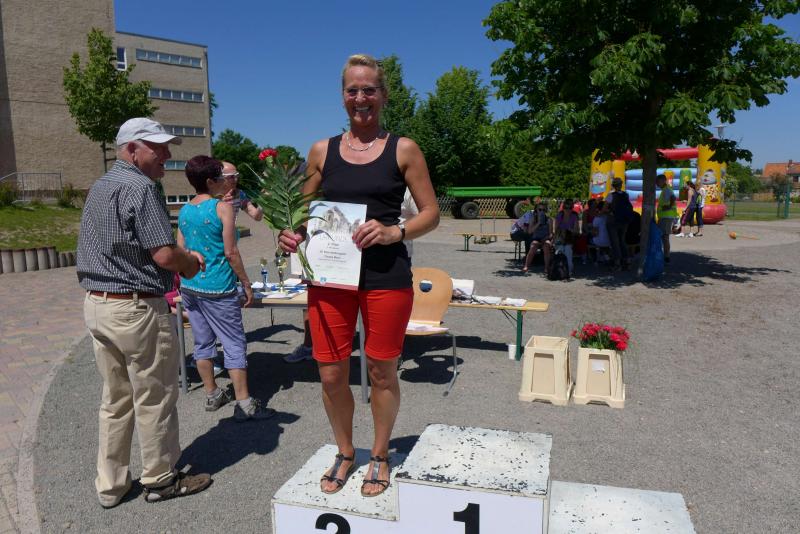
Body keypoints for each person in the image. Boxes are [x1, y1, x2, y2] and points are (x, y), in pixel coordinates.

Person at [279, 53, 439, 497]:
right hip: (331, 277)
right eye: (353, 90)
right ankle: (346, 451)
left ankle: (381, 454)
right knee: (331, 374)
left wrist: (394, 231)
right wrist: (289, 233)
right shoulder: (321, 151)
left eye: (369, 89)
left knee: (382, 371)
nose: (361, 97)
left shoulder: (403, 149)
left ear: (383, 96)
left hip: (386, 276)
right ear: (343, 97)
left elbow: (431, 213)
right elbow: (299, 213)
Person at [77, 117, 211, 507]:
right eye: (159, 147)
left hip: (98, 304)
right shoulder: (141, 187)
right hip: (136, 307)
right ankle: (161, 478)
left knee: (115, 399)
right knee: (155, 396)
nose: (167, 155)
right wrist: (190, 262)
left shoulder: (101, 185)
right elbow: (164, 255)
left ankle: (111, 485)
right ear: (133, 149)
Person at [177, 155, 275, 420]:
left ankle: (212, 394)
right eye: (221, 177)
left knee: (202, 342)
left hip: (191, 286)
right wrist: (246, 283)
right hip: (219, 286)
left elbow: (181, 249)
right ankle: (244, 404)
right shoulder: (222, 208)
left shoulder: (184, 210)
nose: (226, 181)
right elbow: (231, 252)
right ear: (211, 181)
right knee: (233, 342)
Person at [605, 177, 634, 270]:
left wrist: (609, 212)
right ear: (621, 185)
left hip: (613, 221)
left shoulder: (610, 195)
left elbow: (605, 208)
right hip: (624, 221)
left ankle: (617, 263)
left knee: (615, 242)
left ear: (613, 185)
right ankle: (627, 261)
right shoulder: (626, 195)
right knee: (622, 240)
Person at [521, 203, 553, 273]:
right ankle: (526, 266)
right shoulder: (533, 219)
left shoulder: (549, 219)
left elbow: (551, 234)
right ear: (536, 210)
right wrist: (538, 223)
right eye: (540, 209)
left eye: (543, 210)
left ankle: (546, 267)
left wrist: (546, 238)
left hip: (545, 238)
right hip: (536, 238)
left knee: (546, 245)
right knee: (533, 246)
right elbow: (530, 231)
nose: (542, 211)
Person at [553, 199, 580, 275]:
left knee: (568, 249)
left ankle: (569, 269)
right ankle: (560, 270)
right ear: (563, 208)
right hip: (560, 238)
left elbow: (577, 231)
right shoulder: (559, 216)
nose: (567, 210)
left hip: (570, 238)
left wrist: (570, 230)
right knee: (560, 249)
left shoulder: (574, 217)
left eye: (570, 208)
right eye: (566, 208)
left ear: (572, 208)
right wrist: (554, 240)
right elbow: (556, 230)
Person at [656, 173, 678, 263]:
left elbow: (673, 197)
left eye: (658, 182)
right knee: (664, 236)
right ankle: (665, 255)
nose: (657, 184)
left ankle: (666, 256)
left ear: (663, 181)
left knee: (665, 237)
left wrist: (669, 206)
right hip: (664, 216)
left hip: (666, 216)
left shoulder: (667, 190)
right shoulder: (665, 190)